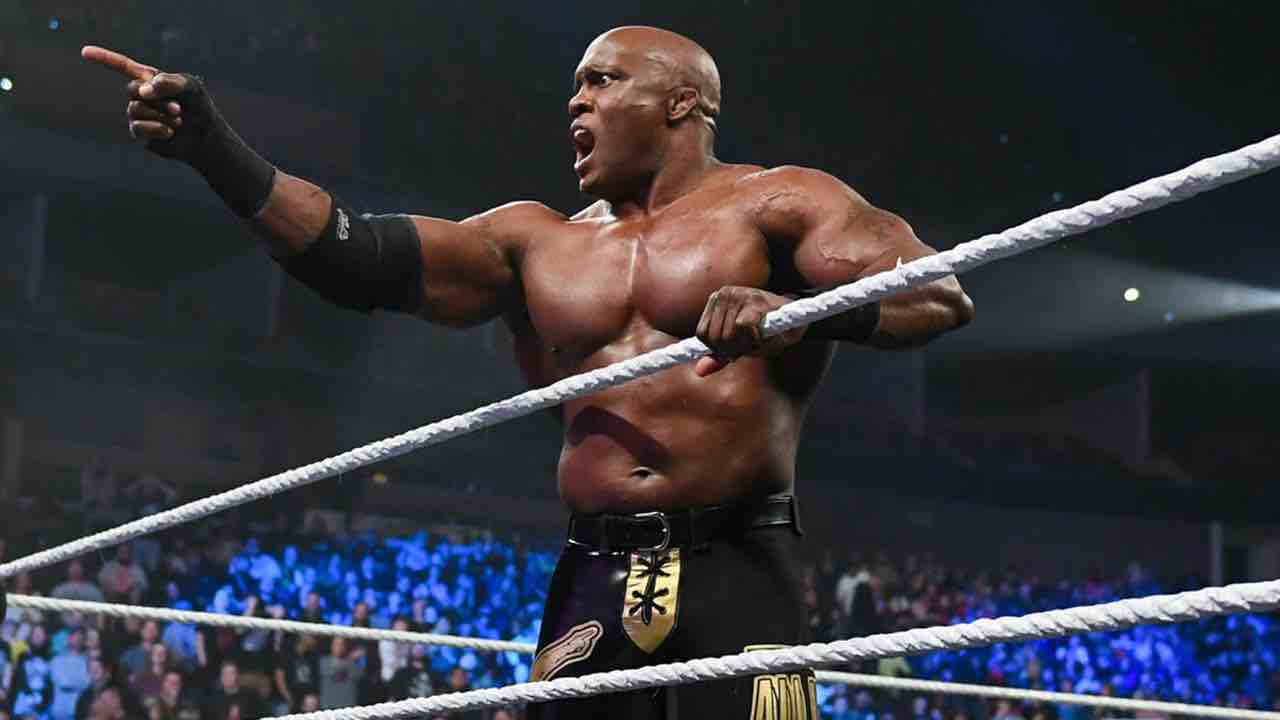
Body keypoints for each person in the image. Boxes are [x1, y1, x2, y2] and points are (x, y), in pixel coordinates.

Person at [82, 23, 972, 719]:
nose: (576, 102)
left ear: (681, 103)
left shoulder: (780, 199)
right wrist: (214, 149)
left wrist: (801, 313)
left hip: (741, 558)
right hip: (592, 565)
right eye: (576, 85)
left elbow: (938, 294)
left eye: (601, 80)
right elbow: (354, 257)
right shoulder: (533, 240)